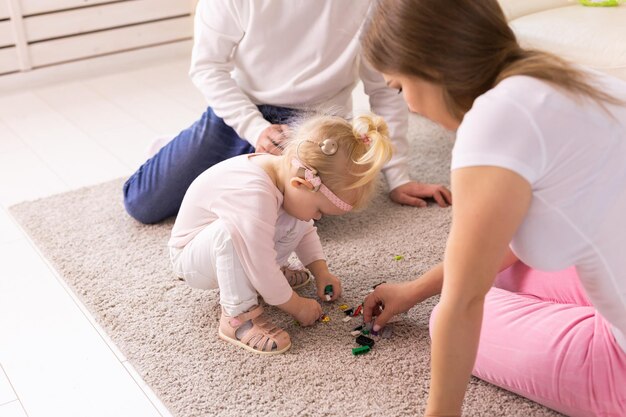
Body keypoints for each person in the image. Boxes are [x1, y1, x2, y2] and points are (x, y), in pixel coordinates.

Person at [360, 0, 626, 416]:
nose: (408, 105)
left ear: (430, 67)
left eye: (398, 86)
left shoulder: (491, 125)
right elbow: (504, 240)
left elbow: (465, 303)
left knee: (451, 317)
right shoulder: (566, 77)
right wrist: (415, 290)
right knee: (502, 274)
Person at [122, 0, 451, 226]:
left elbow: (383, 90)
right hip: (243, 112)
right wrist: (255, 128)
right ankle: (184, 149)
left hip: (318, 126)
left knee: (292, 221)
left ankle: (213, 160)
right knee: (142, 204)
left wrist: (398, 176)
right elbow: (207, 67)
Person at [168, 113, 393, 354]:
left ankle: (265, 280)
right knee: (233, 236)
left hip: (240, 248)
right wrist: (295, 305)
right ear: (302, 184)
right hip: (193, 258)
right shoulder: (253, 193)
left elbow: (305, 230)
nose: (317, 217)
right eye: (319, 210)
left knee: (296, 217)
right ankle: (237, 317)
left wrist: (321, 271)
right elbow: (259, 261)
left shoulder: (286, 177)